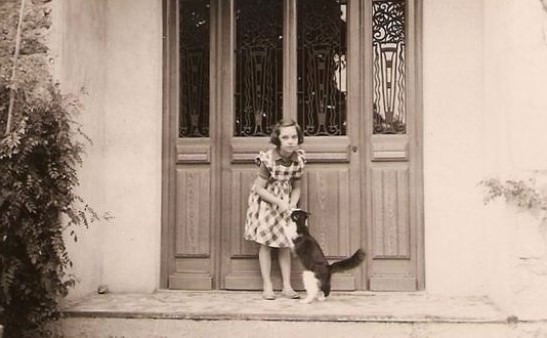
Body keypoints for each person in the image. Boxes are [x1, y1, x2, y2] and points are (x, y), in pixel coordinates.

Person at [244, 119, 306, 300]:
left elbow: (296, 187)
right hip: (267, 203)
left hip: (285, 204)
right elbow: (259, 188)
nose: (290, 141)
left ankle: (287, 286)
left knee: (285, 244)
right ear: (277, 139)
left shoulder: (299, 160)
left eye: (294, 137)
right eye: (285, 137)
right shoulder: (268, 160)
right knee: (265, 244)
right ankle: (267, 285)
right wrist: (278, 202)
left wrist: (292, 204)